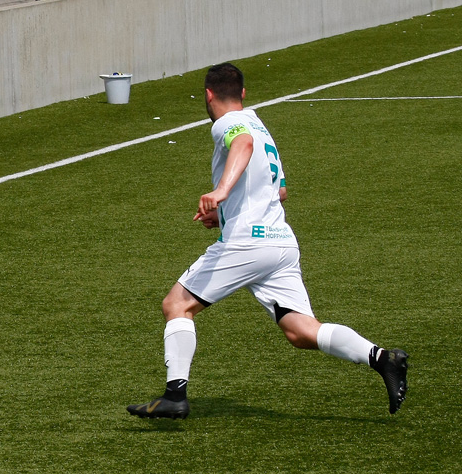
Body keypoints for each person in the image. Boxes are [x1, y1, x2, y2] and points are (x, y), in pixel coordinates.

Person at [125, 63, 409, 420]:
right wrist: (224, 212)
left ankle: (174, 396)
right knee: (301, 331)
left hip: (248, 244)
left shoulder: (229, 124)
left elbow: (241, 146)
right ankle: (383, 359)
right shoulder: (260, 124)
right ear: (243, 93)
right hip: (280, 243)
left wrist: (221, 191)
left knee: (176, 305)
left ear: (208, 95)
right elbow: (281, 190)